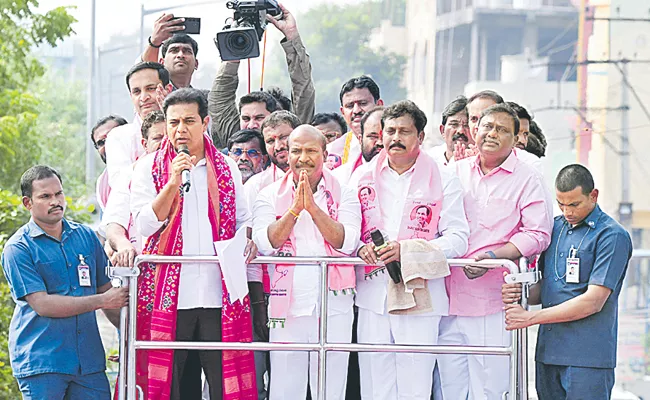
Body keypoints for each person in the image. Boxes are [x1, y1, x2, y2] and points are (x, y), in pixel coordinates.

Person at [130, 88, 259, 400]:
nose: (180, 129)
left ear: (206, 122)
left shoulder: (227, 167)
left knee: (221, 382)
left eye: (189, 121)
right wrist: (173, 182)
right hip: (169, 295)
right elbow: (145, 224)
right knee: (172, 384)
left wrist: (247, 241)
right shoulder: (148, 168)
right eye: (173, 122)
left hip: (219, 292)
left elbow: (243, 219)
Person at [353, 100, 470, 399]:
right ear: (381, 134)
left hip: (421, 296)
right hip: (372, 295)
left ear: (420, 137)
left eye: (405, 131)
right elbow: (349, 228)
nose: (396, 138)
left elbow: (458, 238)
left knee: (415, 384)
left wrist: (408, 250)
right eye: (390, 130)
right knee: (375, 384)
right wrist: (359, 247)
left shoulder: (444, 178)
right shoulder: (360, 177)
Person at [438, 104, 552, 400]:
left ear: (516, 139)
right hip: (446, 297)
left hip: (493, 302)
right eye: (487, 126)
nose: (492, 133)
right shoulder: (453, 172)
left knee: (490, 390)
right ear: (474, 130)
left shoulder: (528, 176)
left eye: (502, 130)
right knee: (449, 389)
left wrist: (494, 257)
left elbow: (537, 232)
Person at [502, 164, 632, 400]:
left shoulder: (612, 236)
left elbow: (593, 301)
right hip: (549, 354)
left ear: (593, 196)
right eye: (561, 204)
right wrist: (520, 293)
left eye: (574, 204)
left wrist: (530, 317)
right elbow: (546, 289)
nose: (567, 211)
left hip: (588, 359)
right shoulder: (555, 228)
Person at [252, 125, 362, 400]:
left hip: (333, 303)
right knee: (286, 388)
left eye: (311, 150)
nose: (303, 157)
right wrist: (294, 210)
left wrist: (313, 209)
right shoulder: (268, 194)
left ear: (325, 154)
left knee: (331, 386)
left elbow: (347, 243)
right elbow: (266, 244)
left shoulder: (345, 192)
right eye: (296, 150)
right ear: (286, 154)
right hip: (287, 305)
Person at [1, 165, 128, 399]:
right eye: (45, 196)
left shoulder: (86, 237)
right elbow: (43, 305)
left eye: (59, 194)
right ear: (27, 203)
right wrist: (102, 300)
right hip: (43, 363)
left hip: (88, 364)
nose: (55, 201)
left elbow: (108, 293)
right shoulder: (19, 248)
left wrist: (129, 338)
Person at [208, 3, 315, 147]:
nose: (251, 125)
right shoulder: (232, 139)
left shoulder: (291, 142)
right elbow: (219, 98)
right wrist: (234, 45)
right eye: (245, 118)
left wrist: (292, 36)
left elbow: (303, 91)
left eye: (259, 118)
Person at [104, 62, 172, 190]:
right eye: (136, 91)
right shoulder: (118, 136)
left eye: (151, 89)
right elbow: (119, 182)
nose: (144, 97)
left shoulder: (188, 127)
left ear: (167, 90)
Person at [244, 110, 302, 208]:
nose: (278, 147)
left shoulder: (323, 176)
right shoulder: (255, 185)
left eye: (283, 137)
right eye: (270, 141)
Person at [327, 76, 384, 169]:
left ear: (379, 105)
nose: (356, 111)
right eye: (350, 106)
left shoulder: (395, 144)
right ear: (342, 112)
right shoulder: (330, 152)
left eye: (363, 103)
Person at [332, 106, 384, 186]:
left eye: (384, 137)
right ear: (360, 139)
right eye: (373, 137)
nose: (380, 143)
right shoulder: (339, 177)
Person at [91, 115, 128, 211]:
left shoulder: (150, 165)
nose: (108, 144)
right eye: (101, 143)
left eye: (113, 136)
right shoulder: (102, 184)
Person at [428, 96, 469, 167]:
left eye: (466, 125)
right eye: (454, 124)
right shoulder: (428, 160)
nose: (461, 131)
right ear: (442, 130)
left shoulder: (484, 164)